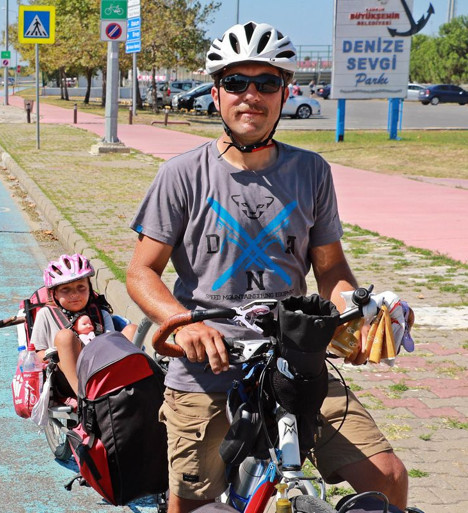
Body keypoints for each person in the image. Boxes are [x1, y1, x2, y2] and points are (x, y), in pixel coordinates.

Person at [126, 21, 409, 513]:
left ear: (284, 93)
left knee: (387, 478)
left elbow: (331, 265)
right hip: (207, 365)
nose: (250, 95)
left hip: (295, 356)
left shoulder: (311, 171)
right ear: (216, 95)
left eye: (266, 83)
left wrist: (356, 311)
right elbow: (141, 272)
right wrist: (181, 323)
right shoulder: (181, 175)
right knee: (192, 503)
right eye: (236, 83)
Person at [31, 253, 135, 395]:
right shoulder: (46, 315)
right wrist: (55, 354)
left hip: (102, 370)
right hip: (67, 378)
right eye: (65, 290)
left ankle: (134, 384)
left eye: (81, 287)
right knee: (65, 337)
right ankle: (84, 398)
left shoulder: (100, 313)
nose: (74, 294)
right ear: (54, 294)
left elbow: (112, 344)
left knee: (132, 330)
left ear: (90, 288)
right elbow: (36, 354)